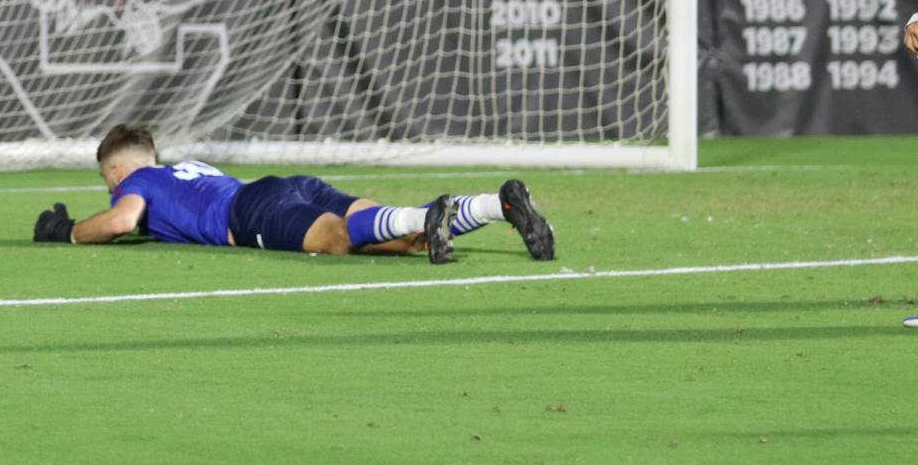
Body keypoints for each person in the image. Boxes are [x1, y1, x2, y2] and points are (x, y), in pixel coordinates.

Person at [33, 124, 556, 264]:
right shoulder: (190, 168)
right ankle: (496, 205)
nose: (112, 191)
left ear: (120, 170)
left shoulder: (139, 183)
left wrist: (68, 232)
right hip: (288, 185)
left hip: (250, 211)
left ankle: (429, 217)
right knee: (396, 234)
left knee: (335, 240)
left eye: (109, 181)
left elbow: (122, 221)